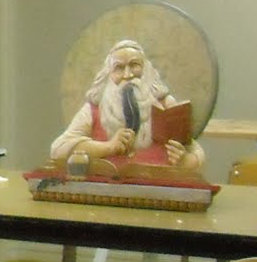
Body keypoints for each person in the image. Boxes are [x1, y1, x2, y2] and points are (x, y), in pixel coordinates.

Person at [49, 38, 205, 169]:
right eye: (119, 68)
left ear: (146, 70)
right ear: (109, 74)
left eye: (134, 65)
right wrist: (109, 147)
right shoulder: (94, 109)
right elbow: (58, 150)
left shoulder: (165, 104)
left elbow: (197, 154)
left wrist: (185, 160)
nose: (128, 75)